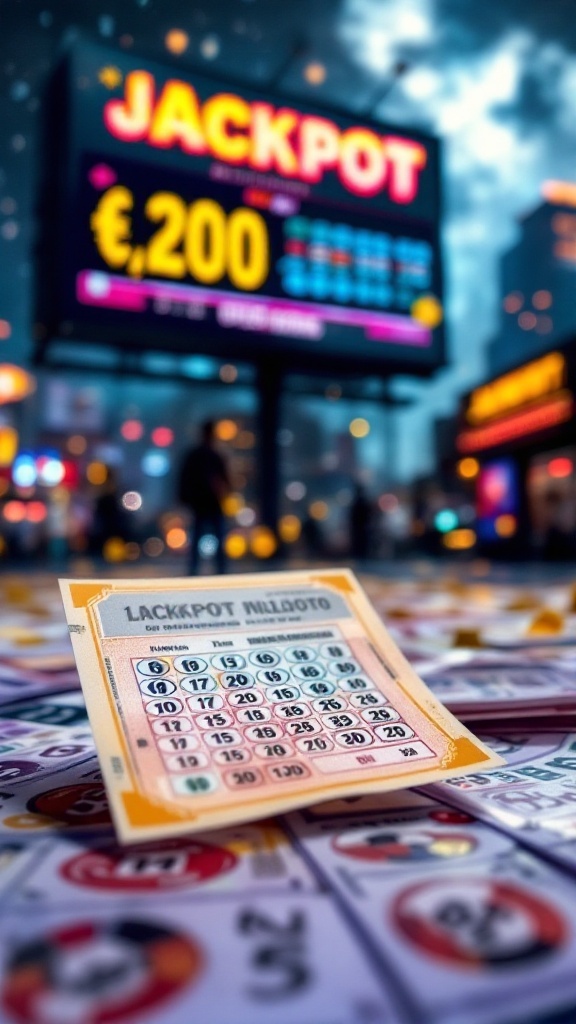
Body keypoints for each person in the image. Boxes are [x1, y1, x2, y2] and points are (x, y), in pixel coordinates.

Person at [178, 420, 231, 574]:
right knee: (217, 536)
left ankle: (195, 570)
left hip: (201, 502)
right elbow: (225, 480)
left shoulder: (196, 454)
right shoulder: (215, 455)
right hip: (210, 502)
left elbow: (184, 478)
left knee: (198, 536)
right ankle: (220, 571)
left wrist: (185, 498)